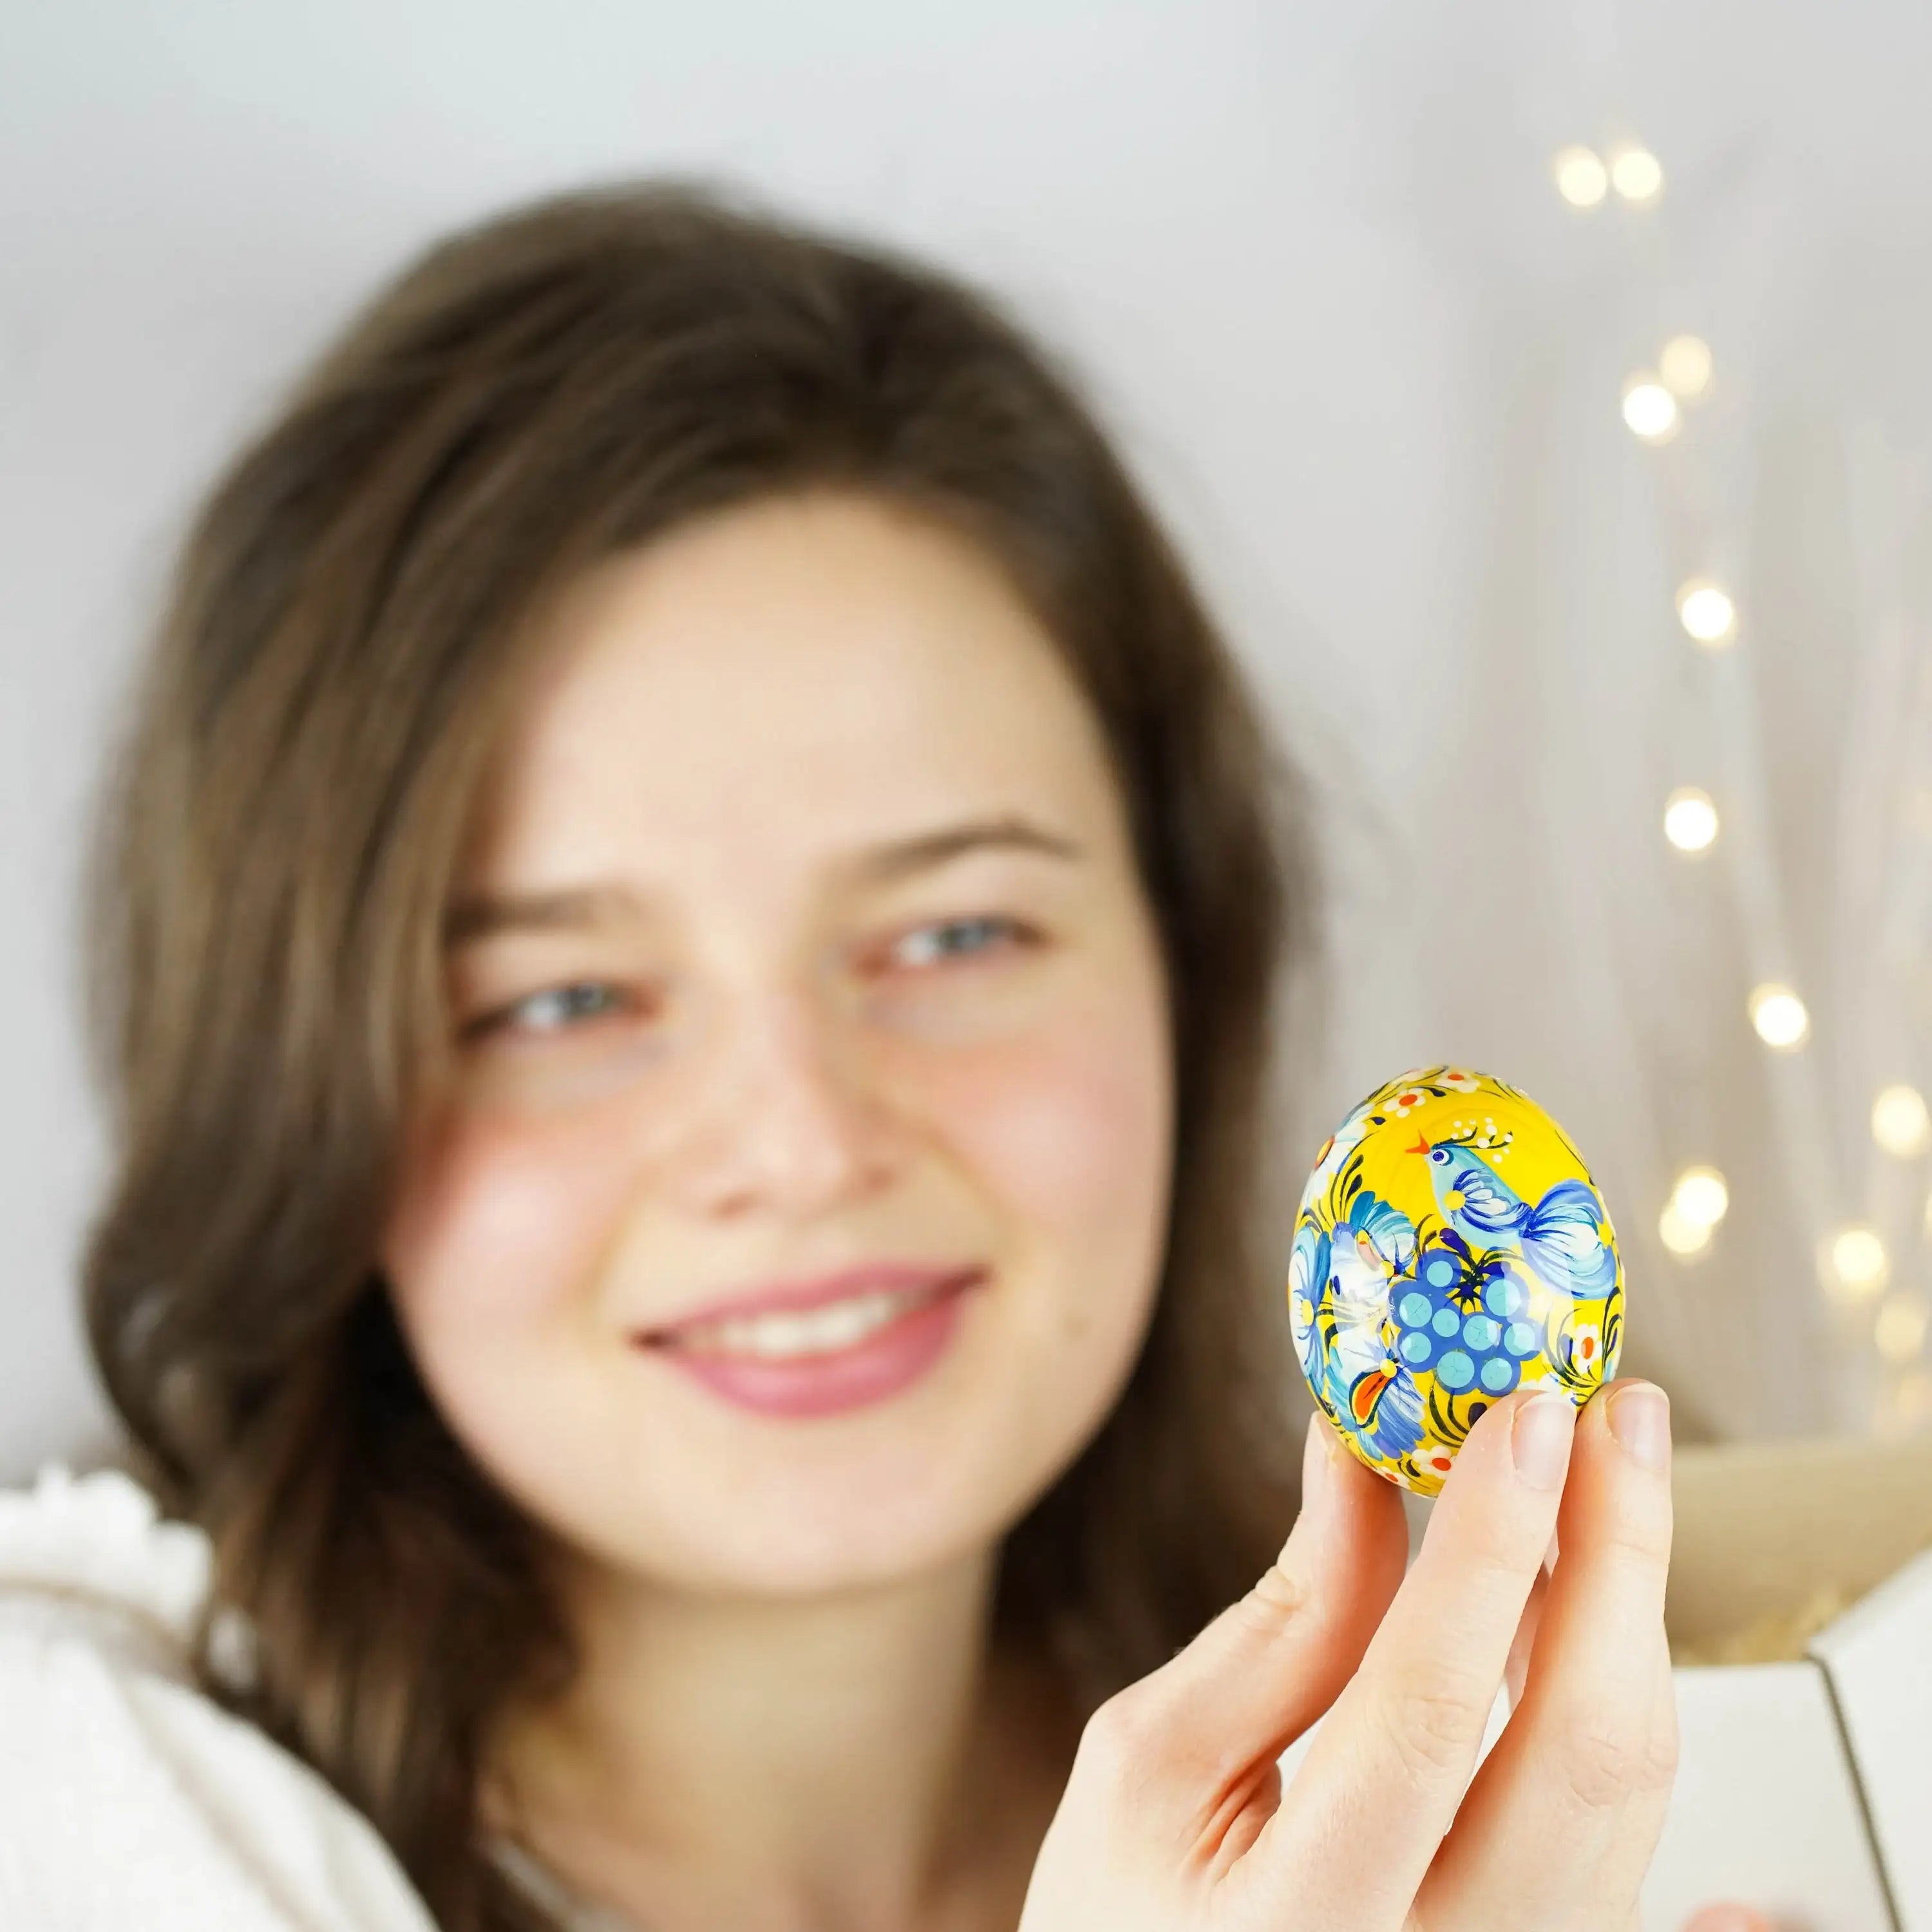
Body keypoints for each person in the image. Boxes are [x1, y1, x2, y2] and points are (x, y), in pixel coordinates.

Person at [0, 180, 1766, 1932]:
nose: (800, 1139)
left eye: (952, 936)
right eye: (561, 1001)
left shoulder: (1632, 1767)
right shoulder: (78, 1823)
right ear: (303, 1088)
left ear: (1186, 962)